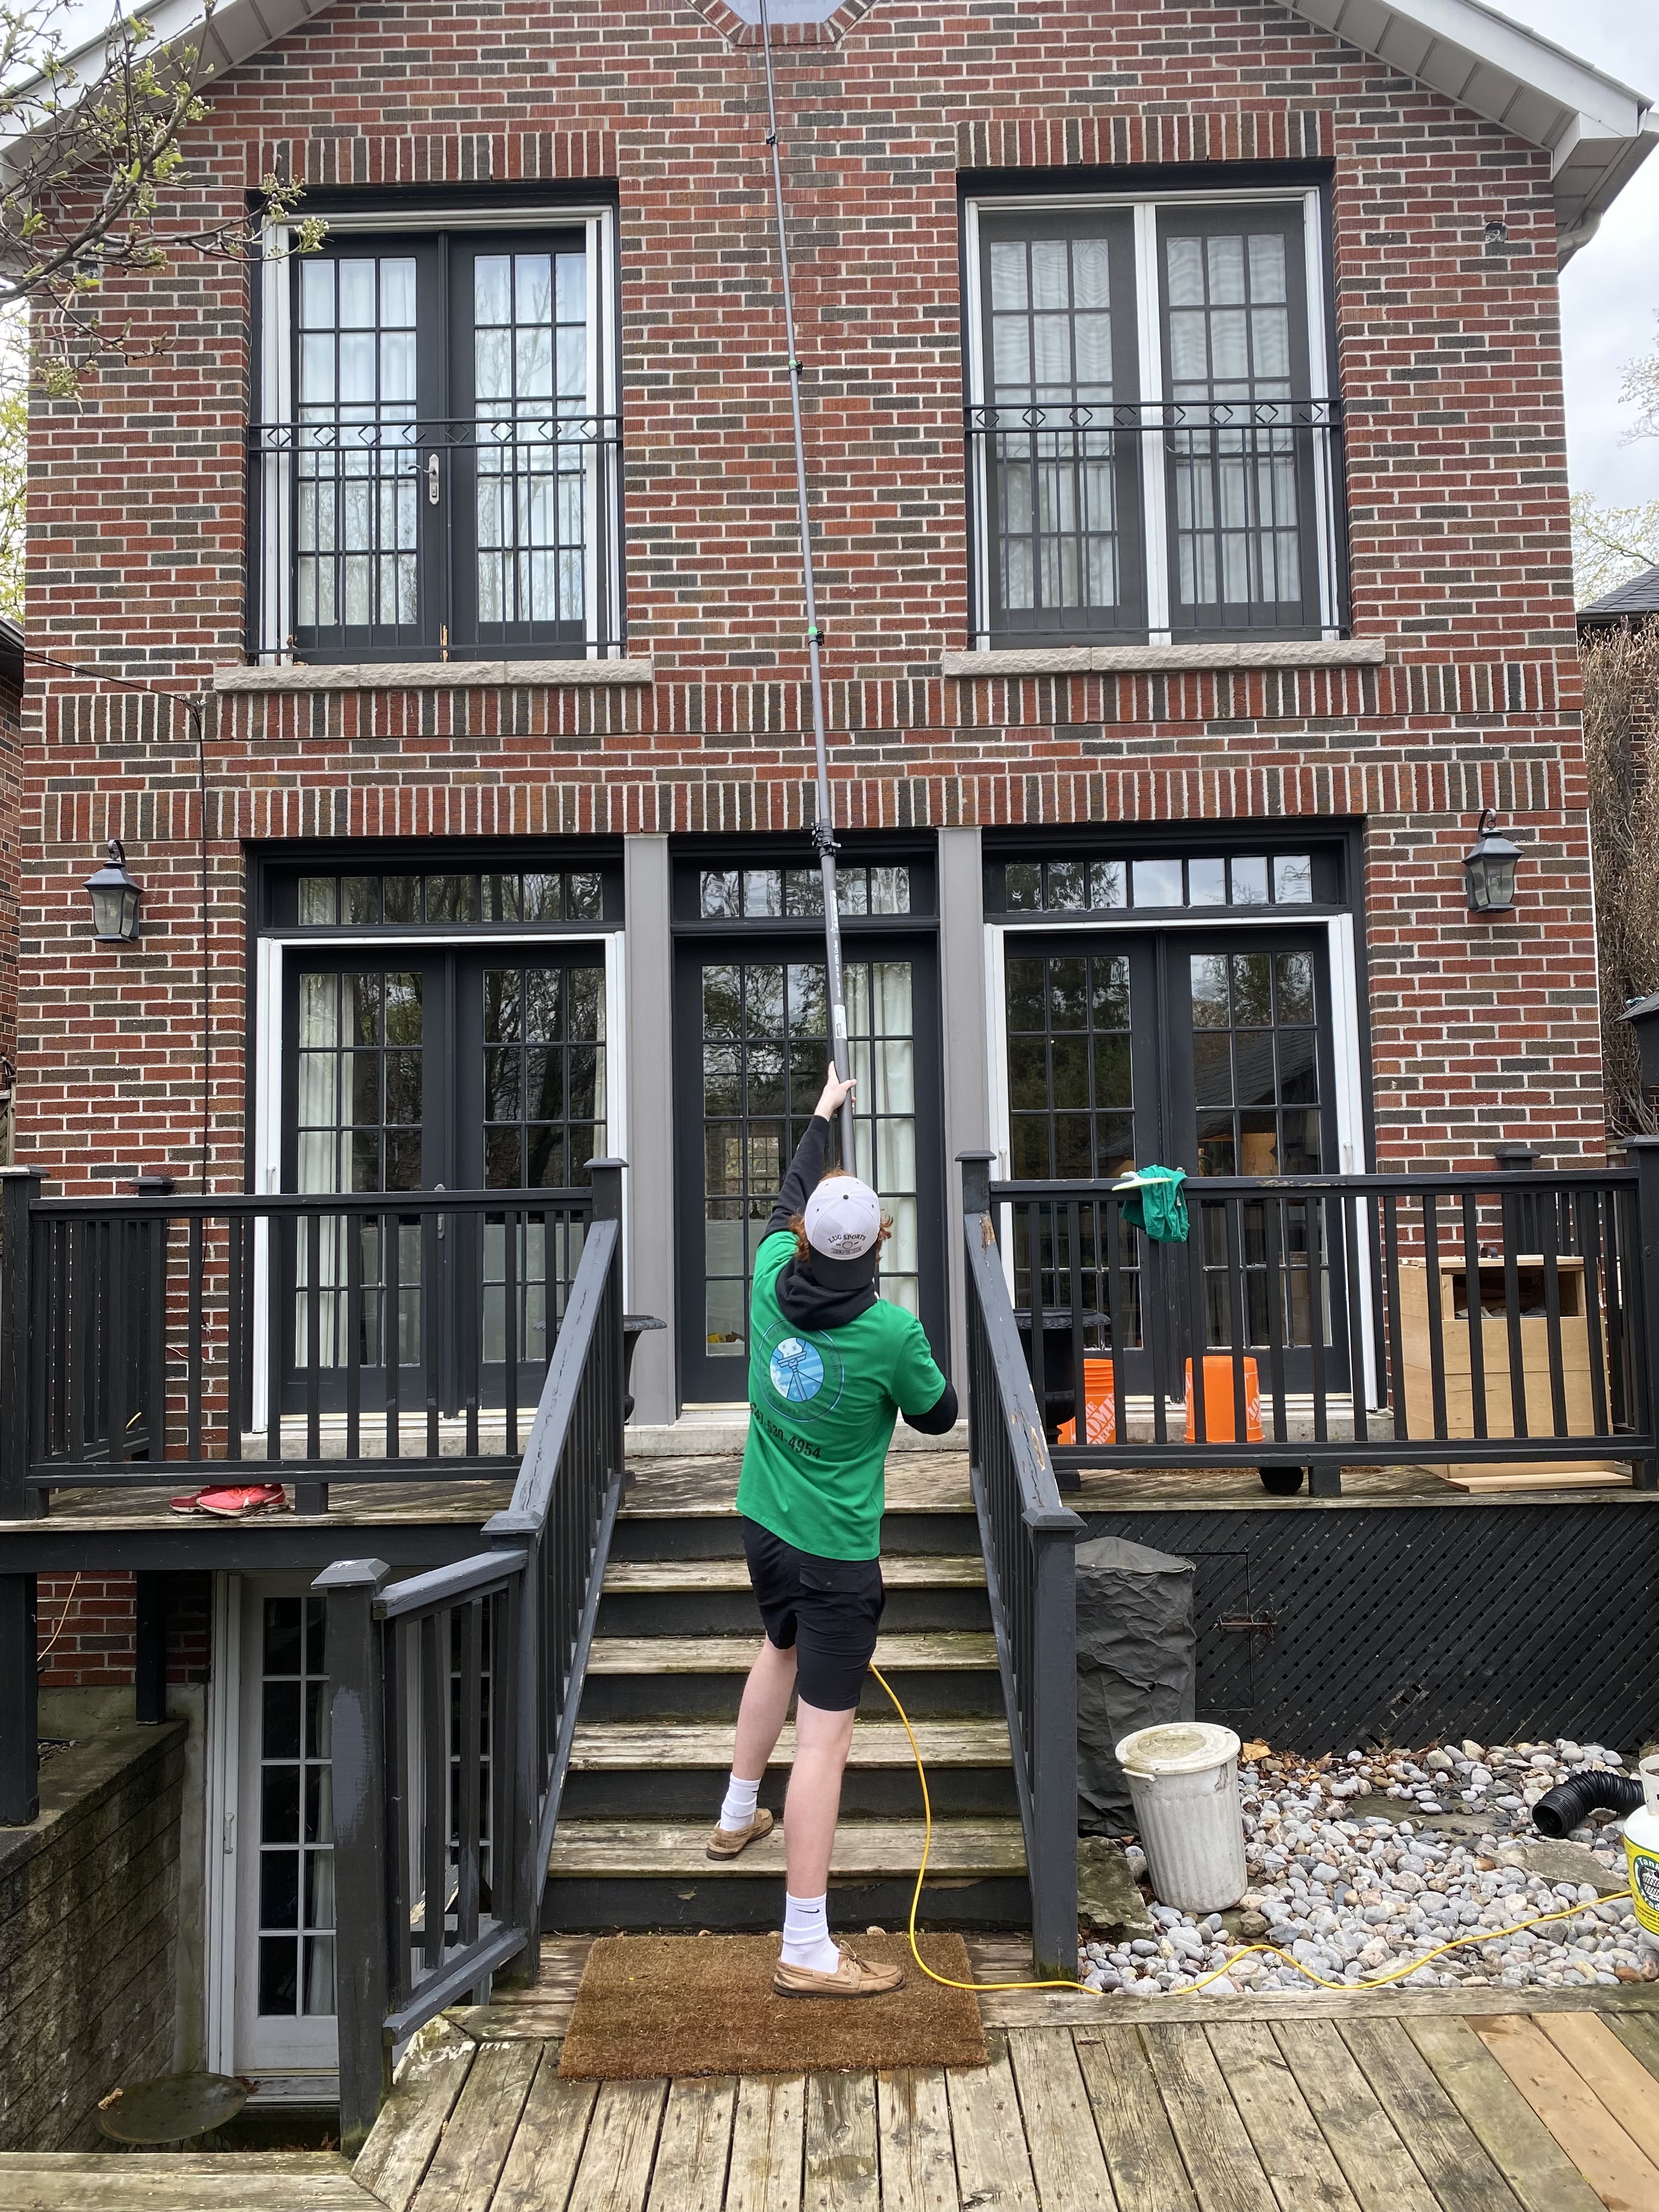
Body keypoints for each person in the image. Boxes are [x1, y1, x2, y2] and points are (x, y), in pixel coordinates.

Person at [707, 1065, 958, 1997]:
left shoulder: (768, 1277)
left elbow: (784, 1195)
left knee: (776, 1646)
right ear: (878, 1244)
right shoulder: (892, 1334)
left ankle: (736, 1814)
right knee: (824, 1745)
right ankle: (806, 1948)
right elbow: (939, 1415)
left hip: (763, 1525)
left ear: (805, 1240)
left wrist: (819, 1114)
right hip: (836, 1557)